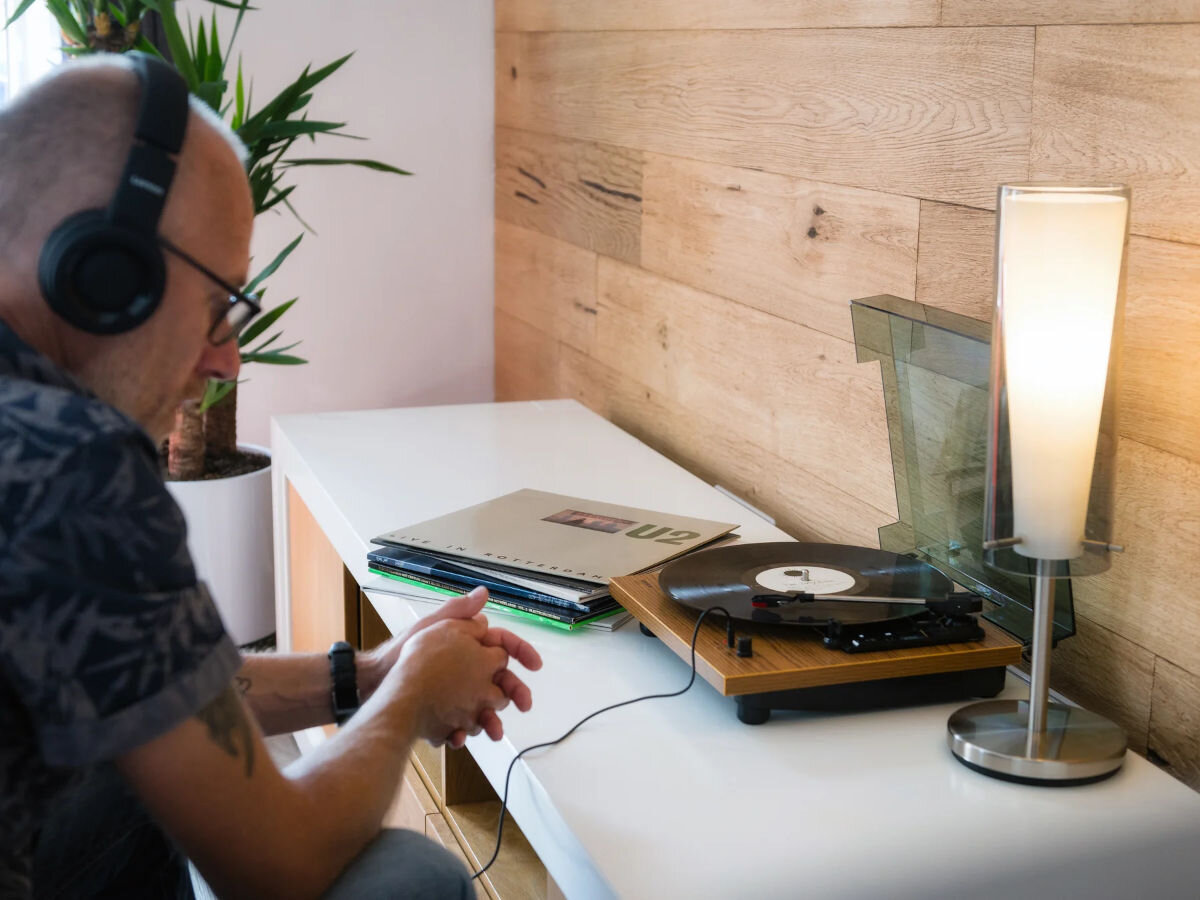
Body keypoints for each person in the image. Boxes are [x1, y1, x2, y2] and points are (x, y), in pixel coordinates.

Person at [0, 54, 542, 899]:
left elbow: (141, 675)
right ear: (105, 274)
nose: (226, 357)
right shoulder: (66, 462)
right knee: (411, 876)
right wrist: (403, 702)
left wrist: (366, 672)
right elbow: (276, 867)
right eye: (221, 302)